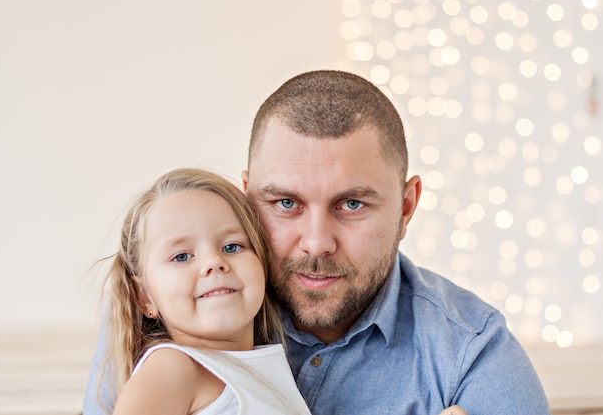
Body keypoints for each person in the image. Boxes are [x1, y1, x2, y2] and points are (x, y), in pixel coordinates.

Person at [84, 70, 550, 414]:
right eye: (286, 203)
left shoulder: (470, 350)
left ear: (406, 208)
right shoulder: (173, 320)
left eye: (352, 205)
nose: (316, 243)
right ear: (247, 201)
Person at [97, 168, 312, 414]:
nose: (213, 261)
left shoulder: (269, 374)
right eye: (181, 256)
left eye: (232, 246)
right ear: (143, 296)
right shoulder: (172, 368)